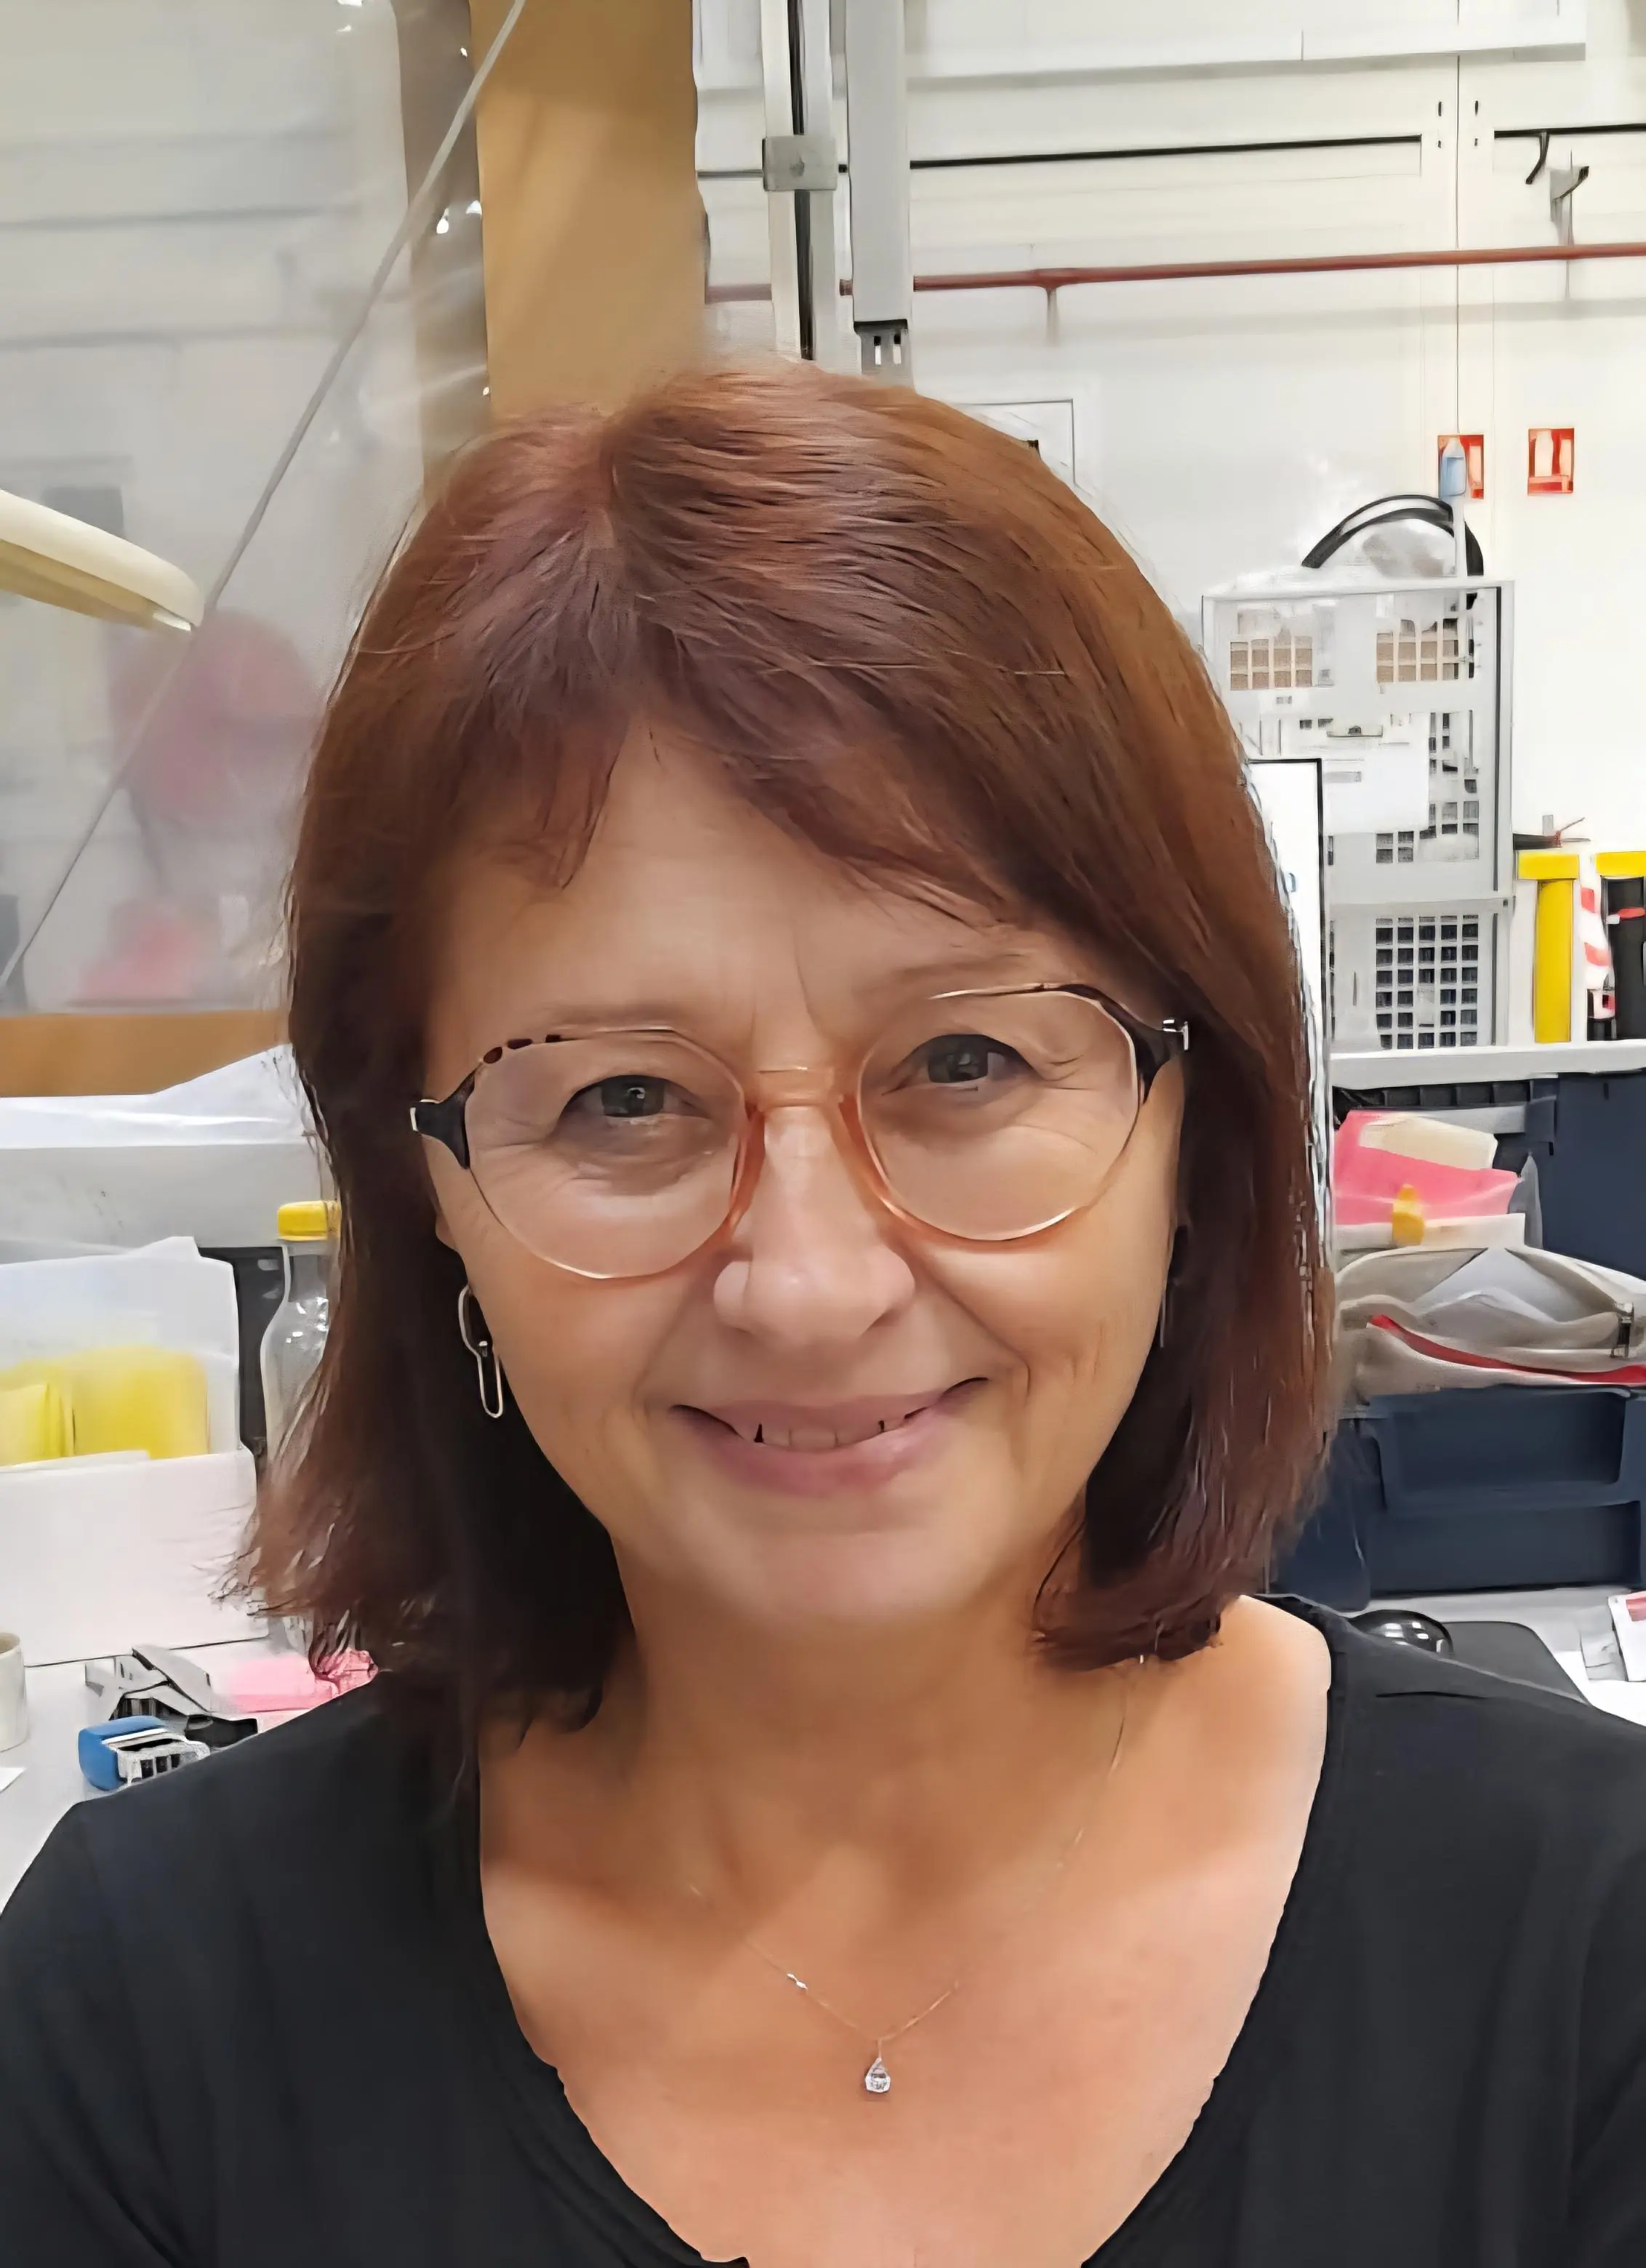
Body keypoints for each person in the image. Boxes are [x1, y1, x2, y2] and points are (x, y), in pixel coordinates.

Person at [2, 361, 1643, 2268]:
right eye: (623, 1097)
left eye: (962, 1061)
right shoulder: (144, 2027)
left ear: (1197, 1133)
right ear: (427, 1192)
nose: (808, 1283)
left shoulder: (1587, 1958)